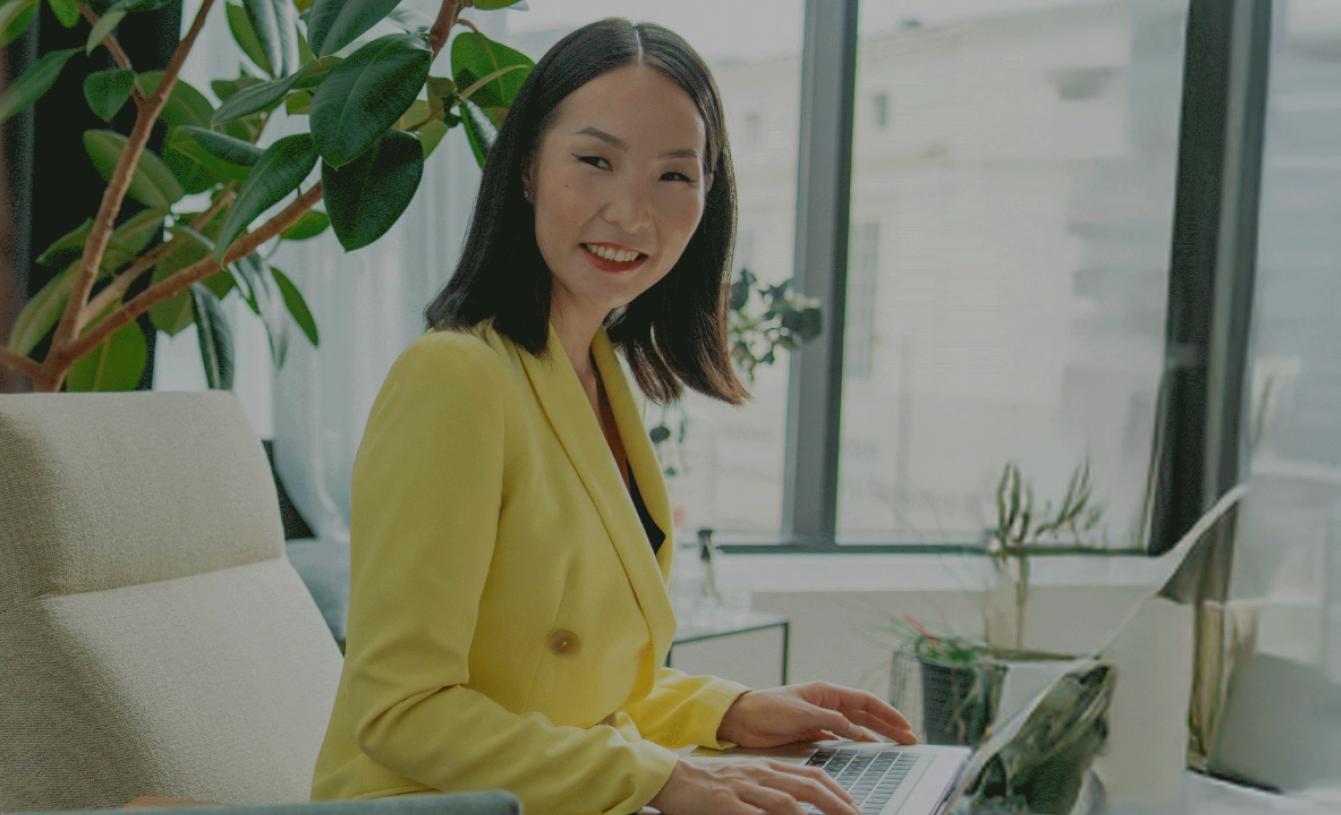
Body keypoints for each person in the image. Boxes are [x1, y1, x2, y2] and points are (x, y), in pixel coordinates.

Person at [313, 20, 920, 815]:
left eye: (675, 175)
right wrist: (661, 776)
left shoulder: (599, 375)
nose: (631, 213)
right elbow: (402, 707)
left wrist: (725, 712)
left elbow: (560, 685)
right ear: (528, 166)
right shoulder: (454, 378)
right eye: (595, 161)